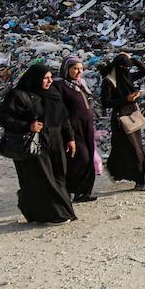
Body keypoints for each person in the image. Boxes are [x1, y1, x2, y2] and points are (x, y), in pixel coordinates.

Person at [0, 63, 77, 224]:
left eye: (50, 78)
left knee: (58, 175)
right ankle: (58, 214)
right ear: (35, 79)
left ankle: (41, 210)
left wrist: (70, 138)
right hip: (34, 143)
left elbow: (64, 118)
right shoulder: (19, 95)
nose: (49, 82)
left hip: (55, 141)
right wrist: (28, 126)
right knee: (43, 179)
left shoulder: (53, 94)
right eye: (45, 78)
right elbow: (3, 118)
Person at [100, 52, 145, 191]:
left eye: (128, 67)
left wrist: (132, 59)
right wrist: (125, 100)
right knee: (135, 150)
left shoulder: (127, 77)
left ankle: (114, 170)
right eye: (124, 67)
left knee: (127, 148)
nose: (127, 70)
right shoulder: (109, 81)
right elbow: (106, 102)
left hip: (132, 115)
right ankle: (142, 180)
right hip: (120, 118)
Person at [56, 55, 98, 202]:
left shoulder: (81, 84)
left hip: (86, 126)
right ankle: (71, 189)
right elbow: (60, 110)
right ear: (67, 69)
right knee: (81, 157)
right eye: (75, 69)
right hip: (73, 127)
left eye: (81, 68)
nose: (79, 72)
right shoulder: (60, 86)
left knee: (89, 156)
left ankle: (84, 192)